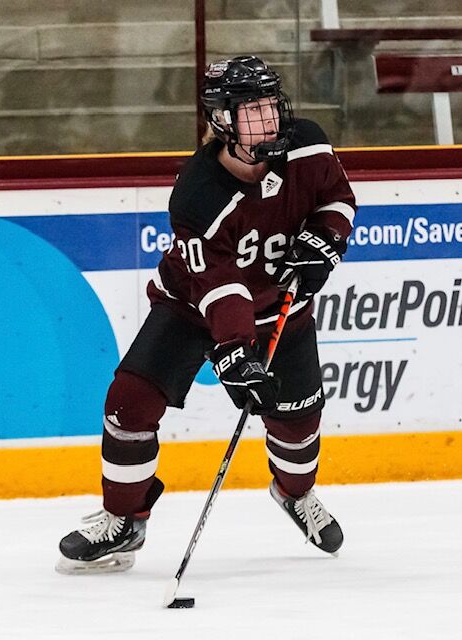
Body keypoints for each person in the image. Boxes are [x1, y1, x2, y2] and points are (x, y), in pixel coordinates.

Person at [56, 55, 356, 574]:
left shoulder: (307, 142)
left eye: (271, 106)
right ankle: (123, 519)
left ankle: (295, 494)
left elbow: (338, 199)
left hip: (284, 306)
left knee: (298, 422)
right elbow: (222, 288)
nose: (270, 120)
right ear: (220, 119)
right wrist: (236, 354)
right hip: (192, 307)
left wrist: (326, 240)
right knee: (128, 404)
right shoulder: (198, 193)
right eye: (252, 111)